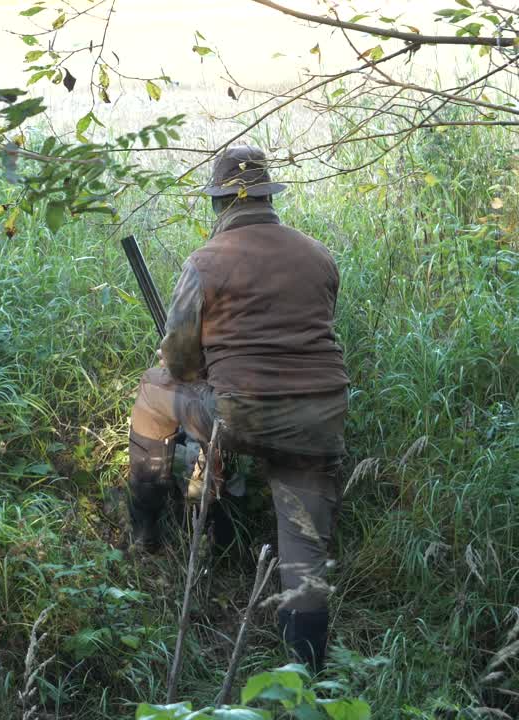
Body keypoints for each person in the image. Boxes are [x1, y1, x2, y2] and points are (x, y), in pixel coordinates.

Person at [125, 146, 350, 672]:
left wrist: (201, 377)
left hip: (238, 414)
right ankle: (307, 676)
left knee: (153, 391)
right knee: (304, 551)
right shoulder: (318, 255)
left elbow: (181, 360)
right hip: (321, 416)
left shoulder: (205, 262)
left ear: (219, 203)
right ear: (268, 197)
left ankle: (147, 527)